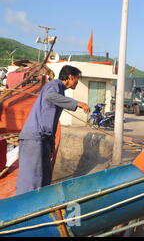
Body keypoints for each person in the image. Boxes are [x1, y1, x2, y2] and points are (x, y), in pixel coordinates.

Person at [16, 65, 90, 195]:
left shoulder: (60, 92)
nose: (77, 83)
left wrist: (51, 145)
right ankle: (25, 210)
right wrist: (77, 103)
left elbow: (51, 122)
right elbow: (50, 96)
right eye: (77, 80)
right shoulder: (53, 85)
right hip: (34, 138)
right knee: (31, 181)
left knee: (45, 177)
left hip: (43, 139)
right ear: (70, 77)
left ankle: (41, 207)